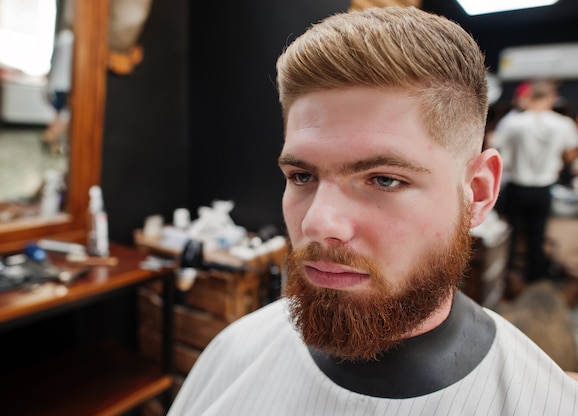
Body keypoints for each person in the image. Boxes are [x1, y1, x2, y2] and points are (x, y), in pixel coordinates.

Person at [167, 7, 578, 415]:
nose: (317, 223)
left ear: (478, 192)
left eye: (384, 180)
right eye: (301, 176)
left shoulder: (543, 402)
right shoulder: (234, 353)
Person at [492, 80, 578, 284]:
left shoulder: (513, 122)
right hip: (543, 188)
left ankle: (507, 277)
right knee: (537, 235)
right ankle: (534, 279)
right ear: (551, 97)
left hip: (517, 186)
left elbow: (497, 149)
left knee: (511, 235)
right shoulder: (562, 124)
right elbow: (570, 154)